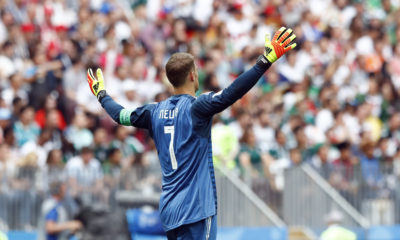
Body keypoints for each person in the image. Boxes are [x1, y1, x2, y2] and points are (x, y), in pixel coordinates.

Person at [87, 27, 296, 240]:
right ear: (192, 75)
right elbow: (232, 92)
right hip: (195, 208)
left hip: (170, 211)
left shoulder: (153, 112)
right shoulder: (197, 108)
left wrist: (102, 95)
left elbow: (120, 115)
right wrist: (265, 60)